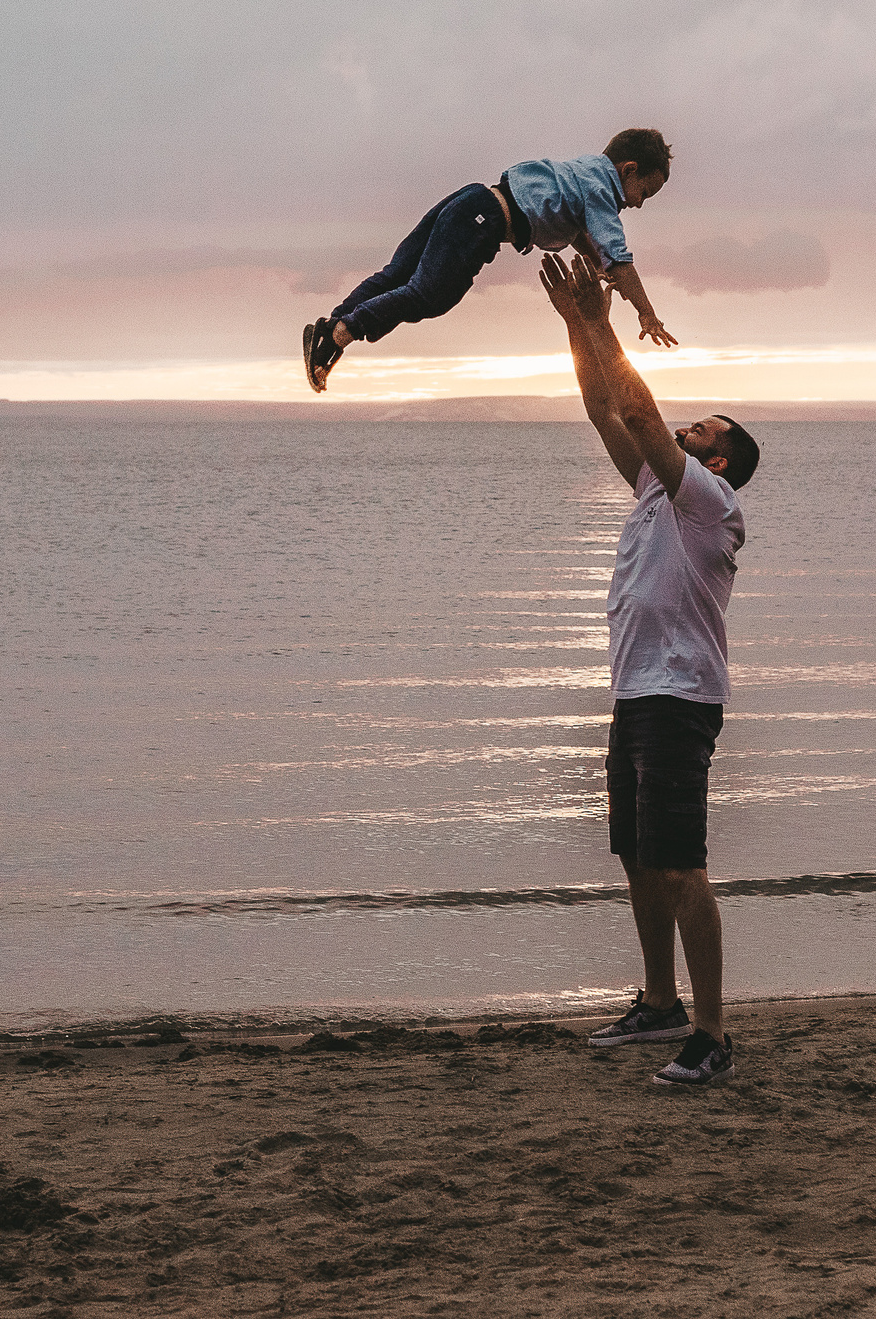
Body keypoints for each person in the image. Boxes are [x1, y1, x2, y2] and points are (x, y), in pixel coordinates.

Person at [538, 251, 760, 1086]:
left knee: (679, 862)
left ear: (722, 461)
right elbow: (607, 407)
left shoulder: (710, 500)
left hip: (679, 699)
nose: (688, 431)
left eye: (704, 430)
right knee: (636, 855)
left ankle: (712, 1033)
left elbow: (637, 404)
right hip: (637, 694)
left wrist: (602, 320)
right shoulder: (653, 492)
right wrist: (575, 327)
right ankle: (661, 1002)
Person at [302, 129, 679, 392]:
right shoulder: (602, 191)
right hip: (482, 221)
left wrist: (598, 265)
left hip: (472, 200)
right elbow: (618, 258)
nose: (638, 203)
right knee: (429, 295)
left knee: (397, 274)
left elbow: (585, 237)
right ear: (628, 170)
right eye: (644, 191)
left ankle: (329, 327)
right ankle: (342, 333)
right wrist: (646, 313)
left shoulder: (586, 170)